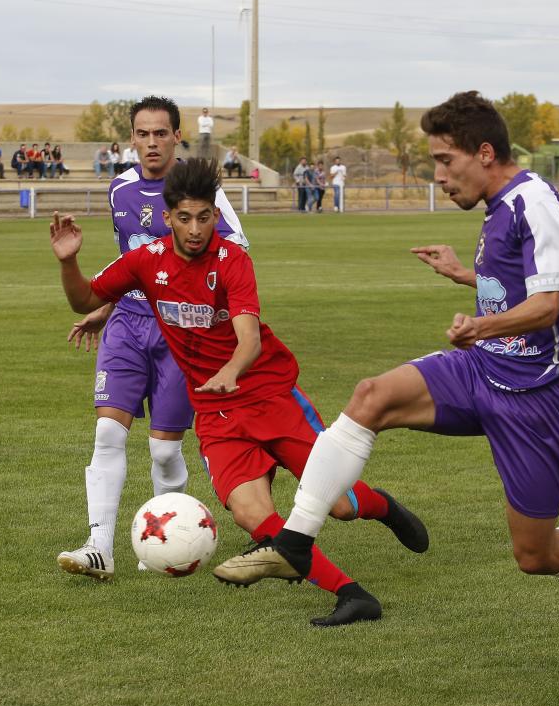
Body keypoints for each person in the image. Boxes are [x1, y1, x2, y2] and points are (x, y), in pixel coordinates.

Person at [214, 91, 559, 624]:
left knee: (534, 555)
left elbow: (548, 304)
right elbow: (528, 280)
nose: (440, 176)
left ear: (484, 153)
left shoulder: (532, 200)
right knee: (370, 397)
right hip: (485, 367)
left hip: (537, 393)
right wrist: (467, 275)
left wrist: (480, 325)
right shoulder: (503, 206)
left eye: (446, 160)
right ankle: (294, 543)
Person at [50, 156, 429, 627]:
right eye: (184, 218)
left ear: (216, 214)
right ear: (167, 218)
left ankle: (381, 505)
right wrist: (69, 263)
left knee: (340, 505)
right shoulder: (146, 262)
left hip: (270, 397)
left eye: (204, 217)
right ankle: (351, 593)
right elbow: (85, 298)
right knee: (254, 518)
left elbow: (248, 337)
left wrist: (231, 369)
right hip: (216, 414)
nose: (194, 229)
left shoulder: (232, 261)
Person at [54, 96, 250, 584]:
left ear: (177, 136)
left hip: (181, 333)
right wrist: (103, 307)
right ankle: (99, 545)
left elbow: (236, 251)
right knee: (107, 433)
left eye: (161, 133)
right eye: (142, 134)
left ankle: (165, 544)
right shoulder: (119, 189)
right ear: (131, 139)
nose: (151, 143)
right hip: (127, 323)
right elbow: (132, 262)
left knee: (164, 451)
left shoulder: (201, 192)